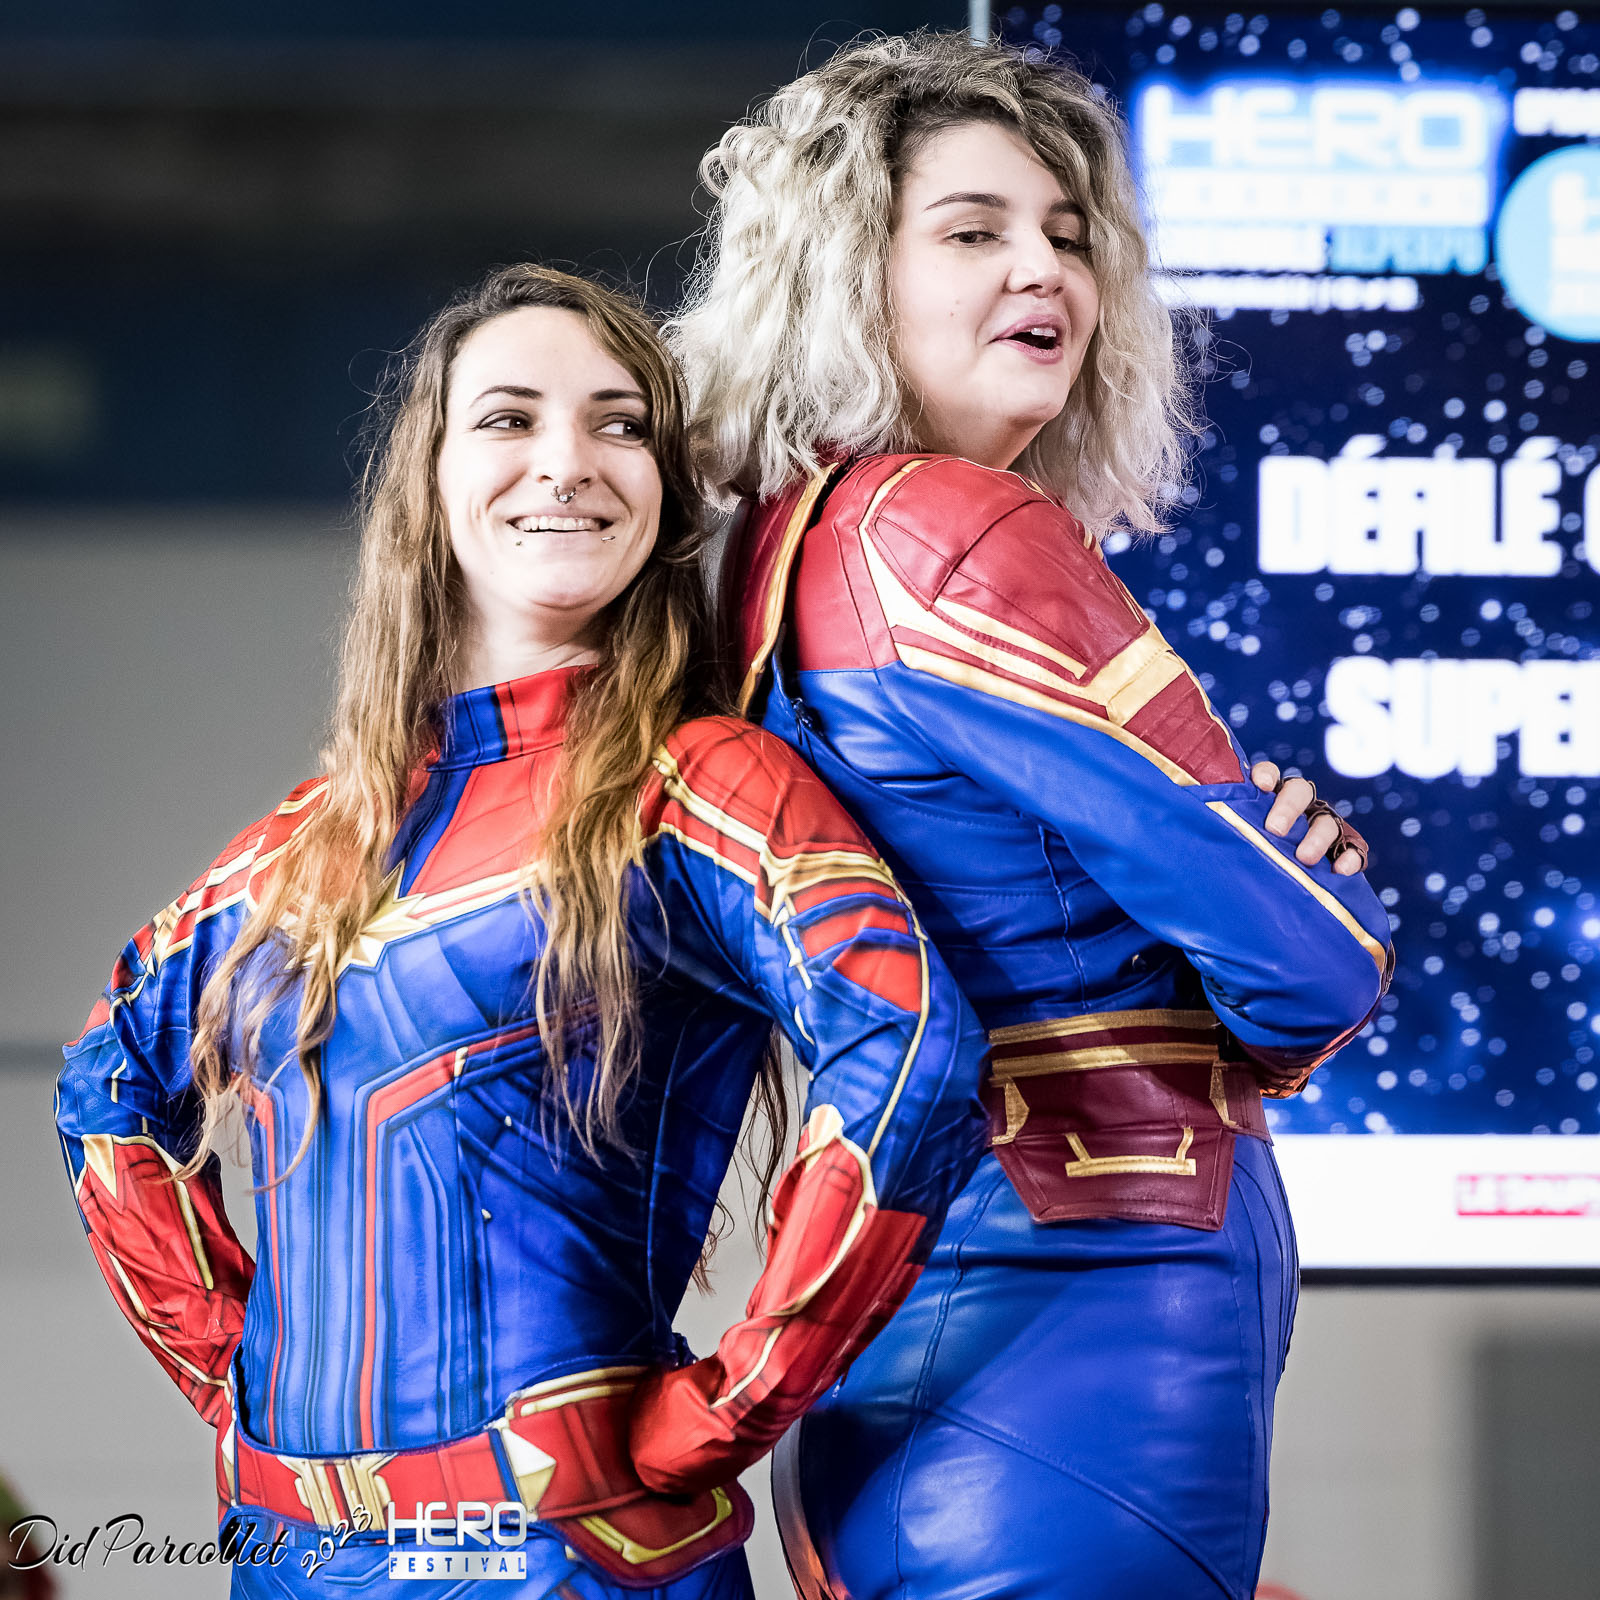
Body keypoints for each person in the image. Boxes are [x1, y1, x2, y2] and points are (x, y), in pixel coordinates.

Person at [54, 264, 991, 1599]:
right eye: (510, 418)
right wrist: (235, 1367)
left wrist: (735, 1400)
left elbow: (913, 1050)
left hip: (569, 1554)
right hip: (287, 1556)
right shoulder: (302, 846)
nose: (568, 460)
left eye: (621, 424)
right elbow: (105, 1084)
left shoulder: (701, 785)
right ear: (429, 481)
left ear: (665, 492)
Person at [672, 33, 1395, 1600]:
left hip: (925, 1325)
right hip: (1084, 1314)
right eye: (972, 229)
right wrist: (1311, 896)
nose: (1043, 269)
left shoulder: (781, 554)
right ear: (846, 273)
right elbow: (1314, 965)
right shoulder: (950, 528)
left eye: (1069, 234)